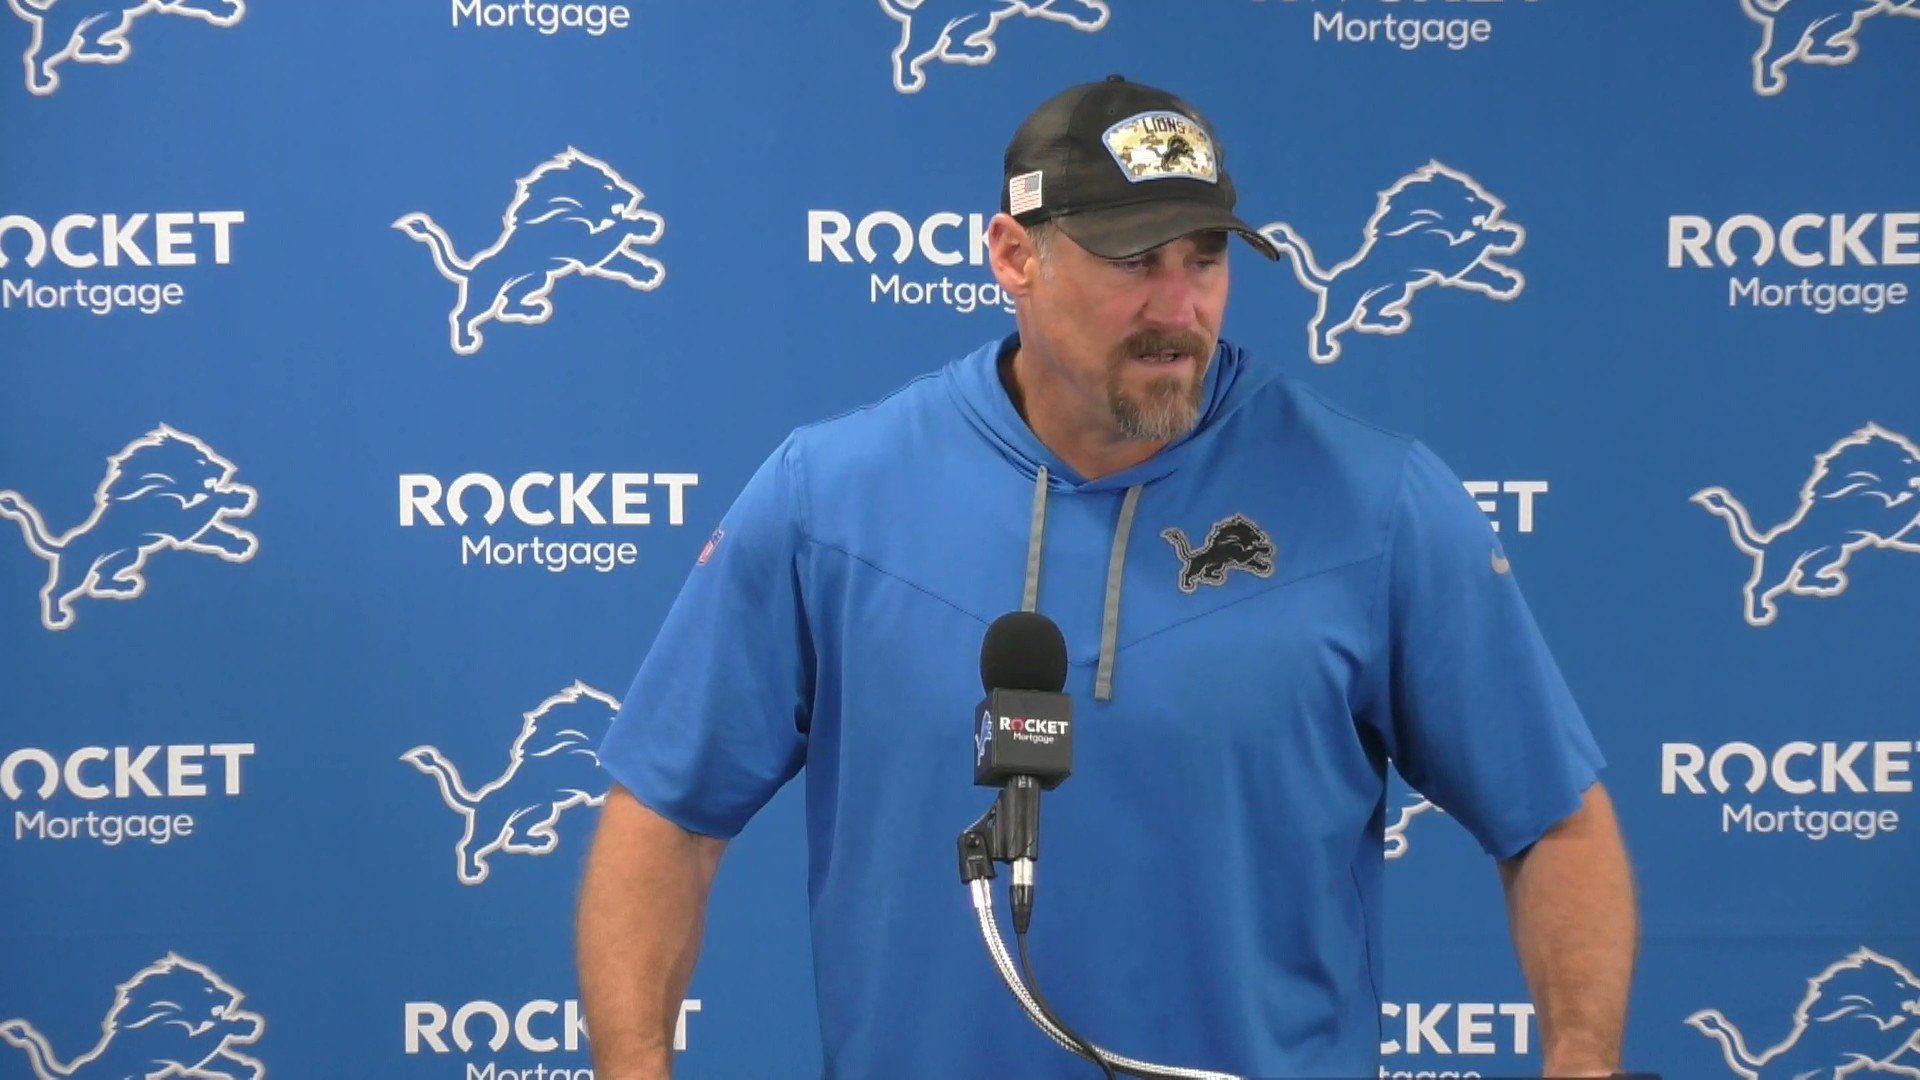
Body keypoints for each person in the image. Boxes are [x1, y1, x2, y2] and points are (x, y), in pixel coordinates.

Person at [577, 76, 1637, 1080]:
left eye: (1206, 260)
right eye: (1135, 261)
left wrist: (1584, 1060)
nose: (1179, 307)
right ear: (1014, 255)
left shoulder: (1378, 504)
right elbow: (666, 814)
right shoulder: (830, 497)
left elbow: (1555, 820)